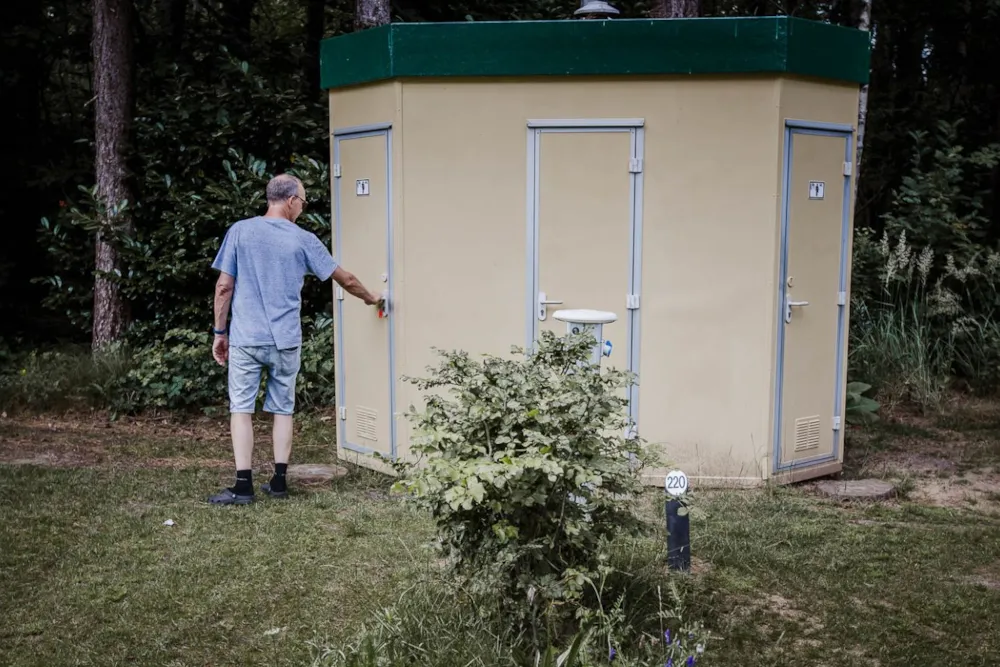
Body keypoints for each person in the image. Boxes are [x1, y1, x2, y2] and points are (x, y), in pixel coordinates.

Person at [207, 173, 382, 505]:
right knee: (282, 409)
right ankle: (279, 482)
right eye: (303, 201)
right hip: (285, 340)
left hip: (246, 338)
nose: (303, 207)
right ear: (290, 201)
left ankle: (243, 487)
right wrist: (371, 297)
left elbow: (224, 287)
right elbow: (345, 278)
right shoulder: (303, 239)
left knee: (241, 408)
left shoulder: (240, 231)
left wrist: (219, 332)